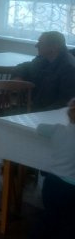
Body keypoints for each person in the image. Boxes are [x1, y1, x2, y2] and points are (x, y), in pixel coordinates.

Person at [31, 98, 75, 238]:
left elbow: (40, 127)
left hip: (52, 184)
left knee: (49, 217)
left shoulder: (58, 129)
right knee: (69, 223)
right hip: (72, 190)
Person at [11, 31, 75, 111]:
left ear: (54, 47)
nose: (36, 45)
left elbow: (64, 102)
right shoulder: (43, 58)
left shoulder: (69, 69)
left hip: (49, 113)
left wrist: (35, 113)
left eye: (40, 43)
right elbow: (24, 67)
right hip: (35, 107)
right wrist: (18, 76)